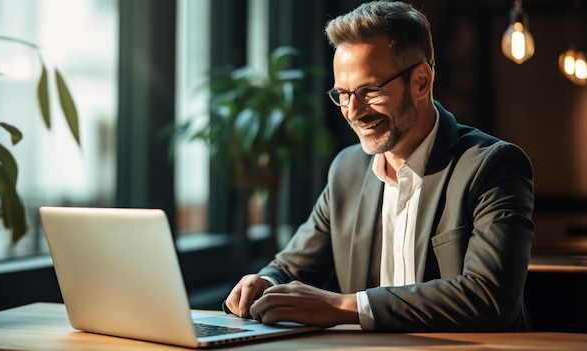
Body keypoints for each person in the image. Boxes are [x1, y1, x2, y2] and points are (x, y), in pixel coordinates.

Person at [223, 0, 535, 332]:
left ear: (421, 82)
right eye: (343, 94)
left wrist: (344, 305)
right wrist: (264, 281)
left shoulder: (494, 166)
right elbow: (291, 267)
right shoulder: (347, 170)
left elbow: (490, 298)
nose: (353, 112)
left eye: (369, 91)